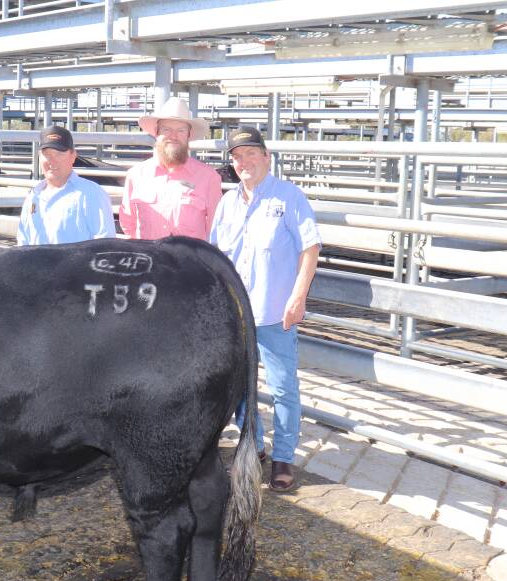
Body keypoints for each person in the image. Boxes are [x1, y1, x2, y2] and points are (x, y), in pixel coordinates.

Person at [209, 126, 321, 492]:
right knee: (241, 387)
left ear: (266, 157)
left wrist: (298, 295)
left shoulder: (288, 197)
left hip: (275, 312)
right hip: (237, 315)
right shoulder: (228, 202)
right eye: (237, 157)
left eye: (250, 154)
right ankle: (253, 445)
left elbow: (310, 248)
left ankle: (284, 456)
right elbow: (216, 255)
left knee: (283, 387)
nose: (244, 162)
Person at [119, 97, 222, 240]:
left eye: (180, 130)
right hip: (149, 259)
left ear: (189, 135)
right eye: (166, 129)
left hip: (188, 261)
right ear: (156, 132)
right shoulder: (136, 175)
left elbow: (216, 228)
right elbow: (128, 223)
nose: (173, 136)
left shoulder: (209, 177)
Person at [16, 125, 116, 245]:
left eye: (59, 154)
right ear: (39, 155)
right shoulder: (33, 196)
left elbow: (105, 244)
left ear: (73, 155)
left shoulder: (91, 194)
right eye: (46, 154)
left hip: (76, 264)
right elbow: (23, 243)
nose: (52, 161)